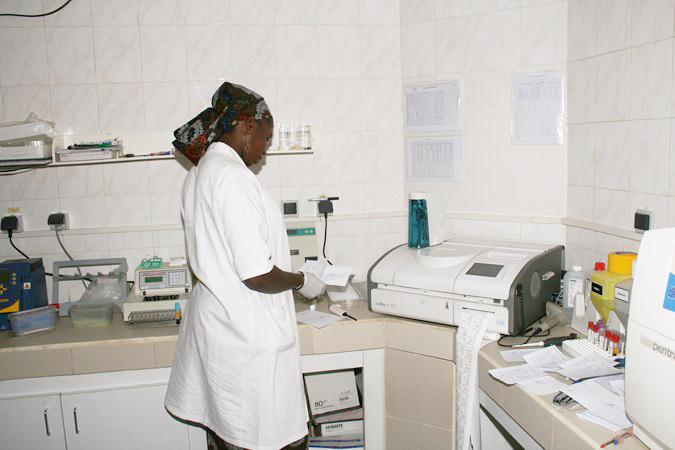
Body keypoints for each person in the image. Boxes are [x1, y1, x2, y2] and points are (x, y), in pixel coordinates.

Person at [165, 82, 326, 450]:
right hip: (246, 345)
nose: (265, 150)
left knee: (228, 438)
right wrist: (303, 281)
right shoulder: (233, 177)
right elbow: (257, 274)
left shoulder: (199, 174)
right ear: (248, 126)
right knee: (265, 439)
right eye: (266, 138)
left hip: (222, 334)